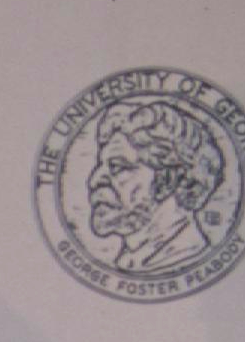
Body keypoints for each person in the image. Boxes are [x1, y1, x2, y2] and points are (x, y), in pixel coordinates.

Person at [85, 101, 223, 273]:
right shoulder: (129, 262)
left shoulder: (186, 256)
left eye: (118, 167)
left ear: (168, 180)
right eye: (101, 166)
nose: (94, 180)